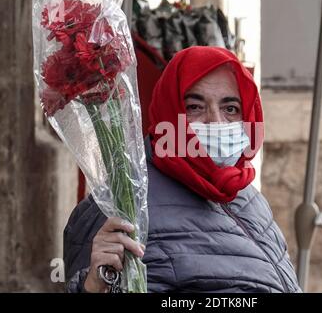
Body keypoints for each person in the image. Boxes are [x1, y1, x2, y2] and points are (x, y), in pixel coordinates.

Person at [64, 46, 301, 293]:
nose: (216, 122)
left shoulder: (250, 200)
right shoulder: (123, 201)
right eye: (195, 107)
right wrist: (92, 286)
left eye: (230, 108)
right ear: (170, 111)